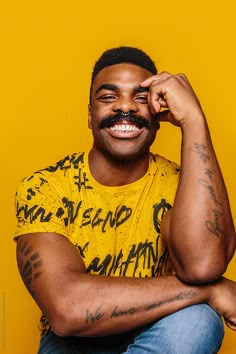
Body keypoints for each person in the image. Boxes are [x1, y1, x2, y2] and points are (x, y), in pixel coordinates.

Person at [15, 46, 236, 354]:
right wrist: (210, 291)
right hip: (74, 344)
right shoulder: (46, 188)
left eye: (141, 98)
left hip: (160, 329)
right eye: (108, 97)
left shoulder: (179, 185)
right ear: (90, 116)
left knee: (199, 322)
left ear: (160, 116)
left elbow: (202, 266)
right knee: (202, 309)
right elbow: (68, 309)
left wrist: (194, 120)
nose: (125, 108)